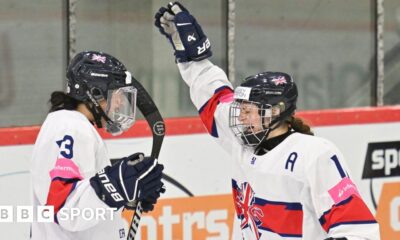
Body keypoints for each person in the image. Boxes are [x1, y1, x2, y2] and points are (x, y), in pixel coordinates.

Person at [154, 2, 380, 240]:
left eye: (248, 110)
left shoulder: (315, 156)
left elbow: (359, 231)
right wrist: (191, 56)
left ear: (275, 112)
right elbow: (212, 93)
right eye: (239, 109)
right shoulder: (241, 138)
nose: (240, 116)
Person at [30, 51, 164, 240]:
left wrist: (128, 190)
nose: (119, 102)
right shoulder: (70, 128)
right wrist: (116, 186)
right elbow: (64, 208)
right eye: (116, 94)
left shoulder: (73, 126)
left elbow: (85, 192)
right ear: (95, 92)